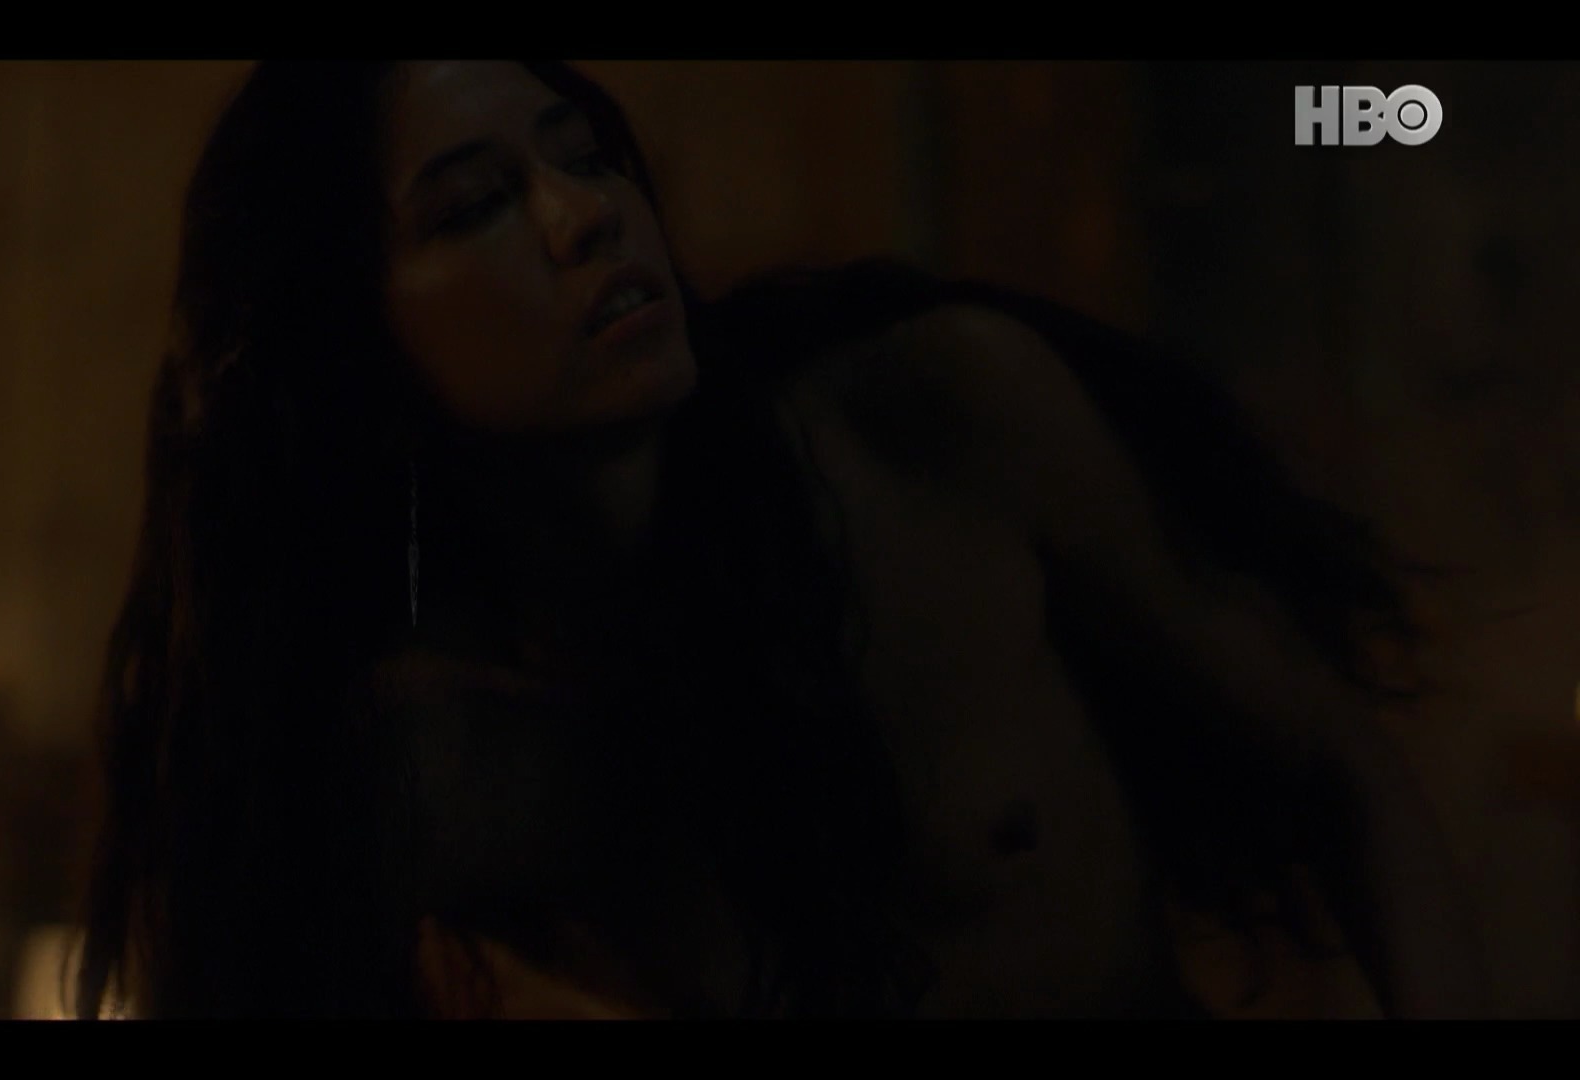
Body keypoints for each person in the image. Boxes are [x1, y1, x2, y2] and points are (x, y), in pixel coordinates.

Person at [72, 60, 1490, 1019]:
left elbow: (1340, 764)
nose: (585, 216)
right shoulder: (439, 747)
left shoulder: (932, 416)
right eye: (477, 205)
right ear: (347, 342)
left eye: (583, 155)